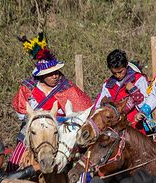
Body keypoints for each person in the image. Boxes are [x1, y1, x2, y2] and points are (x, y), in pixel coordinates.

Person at [8, 33, 93, 171]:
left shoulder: (68, 88)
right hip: (33, 131)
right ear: (41, 75)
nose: (55, 76)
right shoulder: (27, 88)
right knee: (16, 160)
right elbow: (21, 113)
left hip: (60, 132)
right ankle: (11, 177)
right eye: (51, 73)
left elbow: (84, 112)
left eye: (57, 72)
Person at [94, 49, 148, 133]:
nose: (118, 75)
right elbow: (98, 107)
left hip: (136, 127)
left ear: (126, 65)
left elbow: (147, 105)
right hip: (115, 130)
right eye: (114, 73)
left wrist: (134, 91)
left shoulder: (139, 79)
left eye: (120, 71)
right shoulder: (108, 85)